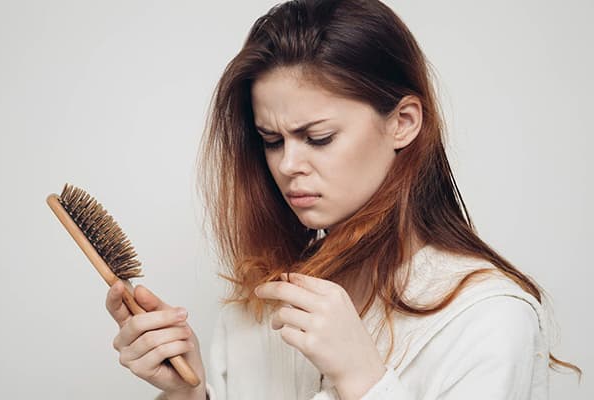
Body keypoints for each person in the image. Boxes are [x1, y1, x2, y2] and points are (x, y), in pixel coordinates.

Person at [105, 1, 581, 399]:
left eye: (318, 137)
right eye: (271, 141)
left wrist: (362, 378)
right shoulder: (259, 306)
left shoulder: (487, 316)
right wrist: (187, 393)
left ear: (404, 122)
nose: (288, 164)